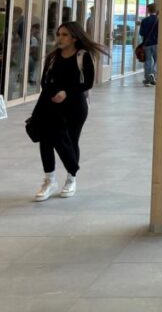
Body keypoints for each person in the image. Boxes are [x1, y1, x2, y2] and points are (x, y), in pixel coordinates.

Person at [32, 21, 103, 201]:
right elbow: (44, 81)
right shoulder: (53, 57)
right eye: (58, 34)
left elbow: (87, 83)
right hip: (52, 104)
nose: (60, 38)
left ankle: (71, 177)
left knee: (70, 141)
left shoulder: (82, 56)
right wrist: (52, 94)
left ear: (74, 37)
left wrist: (66, 92)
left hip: (75, 106)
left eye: (64, 35)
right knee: (46, 140)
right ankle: (49, 180)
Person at [138, 3, 159, 86]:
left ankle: (147, 78)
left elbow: (141, 33)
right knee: (157, 60)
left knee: (148, 61)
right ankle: (153, 75)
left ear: (148, 10)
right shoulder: (158, 20)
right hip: (157, 44)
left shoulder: (144, 20)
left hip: (147, 44)